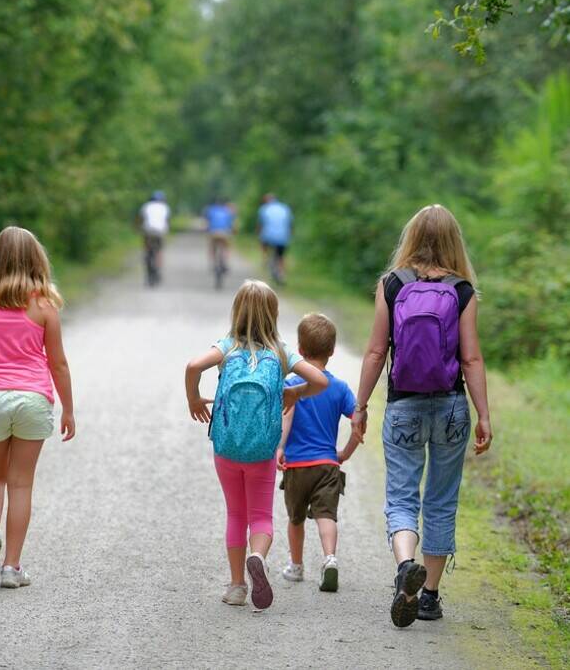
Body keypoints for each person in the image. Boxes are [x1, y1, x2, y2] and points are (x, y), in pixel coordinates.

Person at [351, 204, 492, 627]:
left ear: (410, 237)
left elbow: (377, 350)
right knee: (441, 500)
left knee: (402, 496)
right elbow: (471, 359)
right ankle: (428, 595)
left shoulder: (392, 285)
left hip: (404, 405)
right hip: (450, 406)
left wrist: (360, 406)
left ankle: (403, 568)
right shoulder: (462, 290)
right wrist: (483, 415)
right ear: (455, 240)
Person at [185, 280, 328, 610]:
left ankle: (237, 586)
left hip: (227, 446)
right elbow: (320, 380)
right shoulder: (280, 352)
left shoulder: (227, 346)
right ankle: (257, 556)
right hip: (263, 449)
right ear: (274, 315)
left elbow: (193, 366)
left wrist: (194, 398)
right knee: (261, 515)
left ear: (236, 312)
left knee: (236, 514)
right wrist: (295, 392)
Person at [0, 226, 75, 588]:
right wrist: (68, 409)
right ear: (36, 260)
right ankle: (11, 567)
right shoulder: (44, 308)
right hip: (33, 400)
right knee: (20, 484)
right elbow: (58, 363)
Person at [276, 313, 362, 592]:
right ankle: (330, 558)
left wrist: (279, 447)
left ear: (299, 350)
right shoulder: (339, 388)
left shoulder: (290, 386)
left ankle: (296, 566)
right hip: (327, 464)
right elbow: (358, 418)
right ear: (332, 352)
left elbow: (285, 418)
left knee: (295, 518)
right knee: (327, 515)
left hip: (297, 466)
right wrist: (346, 451)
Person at [257, 194, 293, 285]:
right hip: (283, 236)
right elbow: (290, 223)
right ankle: (282, 275)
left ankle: (265, 259)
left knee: (264, 245)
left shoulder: (264, 209)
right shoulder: (285, 208)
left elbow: (260, 224)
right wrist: (289, 234)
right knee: (281, 256)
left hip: (268, 236)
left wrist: (258, 234)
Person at [137, 191, 171, 285]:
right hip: (160, 231)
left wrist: (138, 228)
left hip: (148, 231)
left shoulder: (146, 206)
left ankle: (147, 258)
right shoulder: (165, 207)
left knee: (147, 249)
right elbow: (167, 221)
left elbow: (141, 219)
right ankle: (158, 270)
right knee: (159, 251)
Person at [203, 197, 236, 272]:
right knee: (226, 247)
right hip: (224, 233)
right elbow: (231, 224)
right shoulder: (227, 211)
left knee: (212, 246)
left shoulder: (211, 210)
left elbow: (207, 222)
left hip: (213, 232)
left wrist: (206, 229)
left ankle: (214, 263)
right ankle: (225, 263)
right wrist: (233, 231)